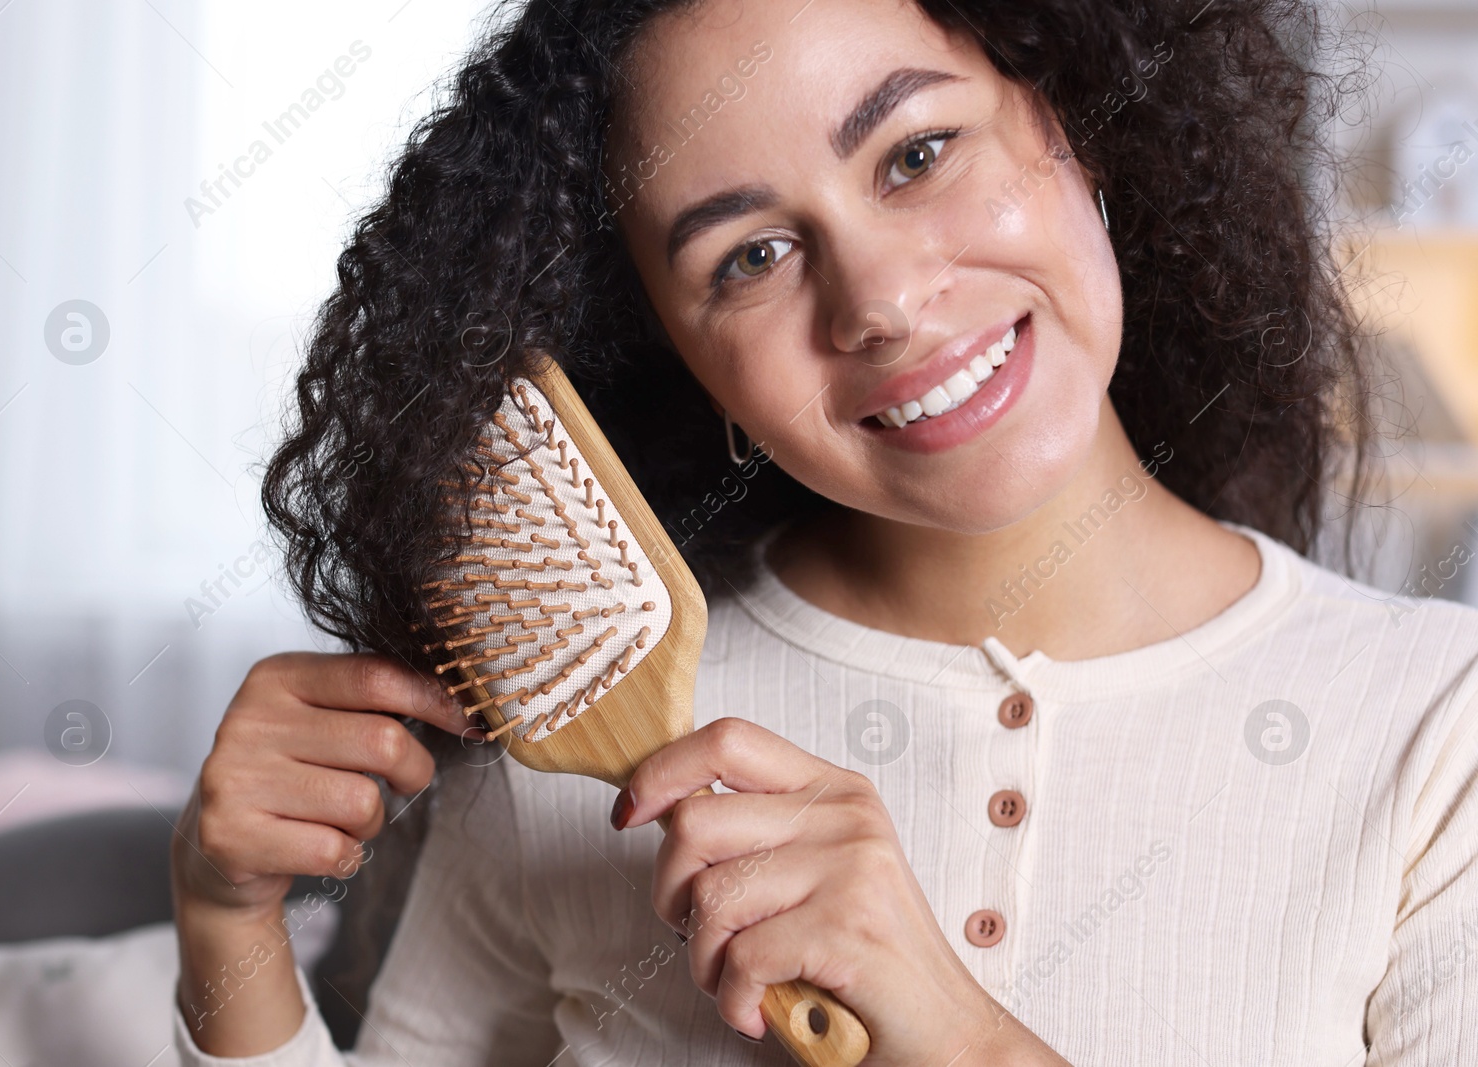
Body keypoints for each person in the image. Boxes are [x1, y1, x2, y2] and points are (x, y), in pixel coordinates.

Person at [171, 0, 1478, 1063]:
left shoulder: (1436, 734)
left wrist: (957, 1037)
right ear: (683, 367)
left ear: (1075, 110)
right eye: (749, 257)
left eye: (916, 153)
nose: (885, 303)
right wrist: (228, 930)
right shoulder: (563, 757)